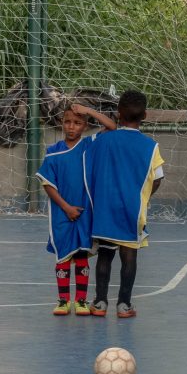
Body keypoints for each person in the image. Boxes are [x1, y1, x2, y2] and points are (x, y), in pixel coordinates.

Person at [84, 90, 164, 319]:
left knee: (105, 256)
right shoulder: (151, 146)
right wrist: (144, 196)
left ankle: (99, 303)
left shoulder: (102, 140)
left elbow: (88, 166)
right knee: (129, 257)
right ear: (145, 115)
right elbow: (157, 178)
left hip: (104, 210)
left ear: (118, 114)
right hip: (132, 211)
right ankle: (124, 305)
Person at [36, 102, 116, 316]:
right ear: (62, 124)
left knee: (81, 257)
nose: (72, 127)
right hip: (62, 213)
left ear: (85, 126)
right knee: (63, 256)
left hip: (84, 213)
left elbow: (112, 126)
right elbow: (47, 184)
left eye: (78, 123)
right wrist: (66, 207)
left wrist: (89, 110)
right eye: (68, 122)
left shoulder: (89, 145)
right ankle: (63, 301)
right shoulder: (53, 151)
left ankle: (81, 300)